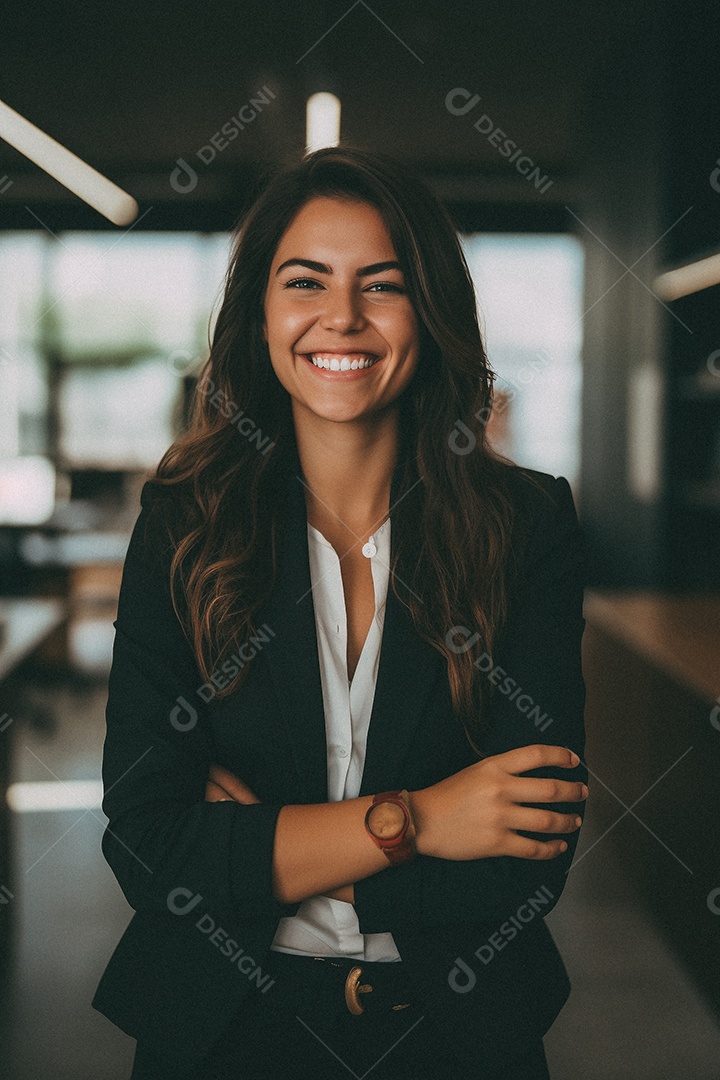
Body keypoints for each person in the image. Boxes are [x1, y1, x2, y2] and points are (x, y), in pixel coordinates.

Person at [92, 146, 589, 1080]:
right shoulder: (184, 525)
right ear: (262, 312)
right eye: (305, 281)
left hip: (454, 1034)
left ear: (429, 309)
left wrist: (261, 846)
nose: (342, 318)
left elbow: (531, 854)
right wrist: (421, 819)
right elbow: (152, 845)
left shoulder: (526, 528)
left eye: (382, 284)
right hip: (222, 1029)